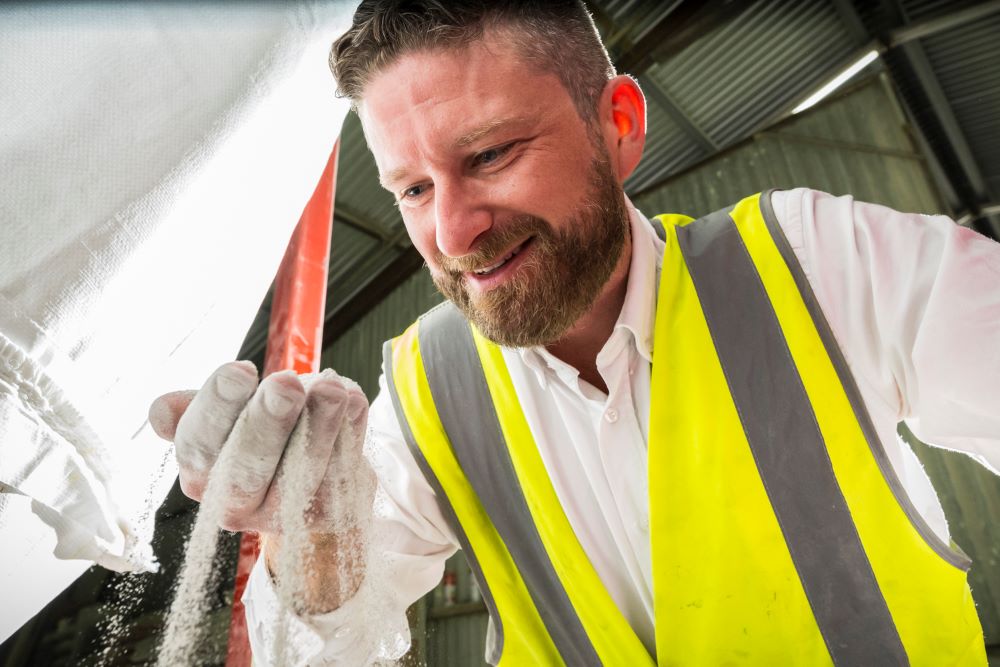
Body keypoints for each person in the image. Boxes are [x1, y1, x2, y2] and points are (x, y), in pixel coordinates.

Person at [149, 0, 1000, 664]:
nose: (449, 232)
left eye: (488, 156)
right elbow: (318, 654)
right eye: (411, 189)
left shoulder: (818, 265)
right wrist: (316, 551)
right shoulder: (421, 391)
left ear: (619, 123)